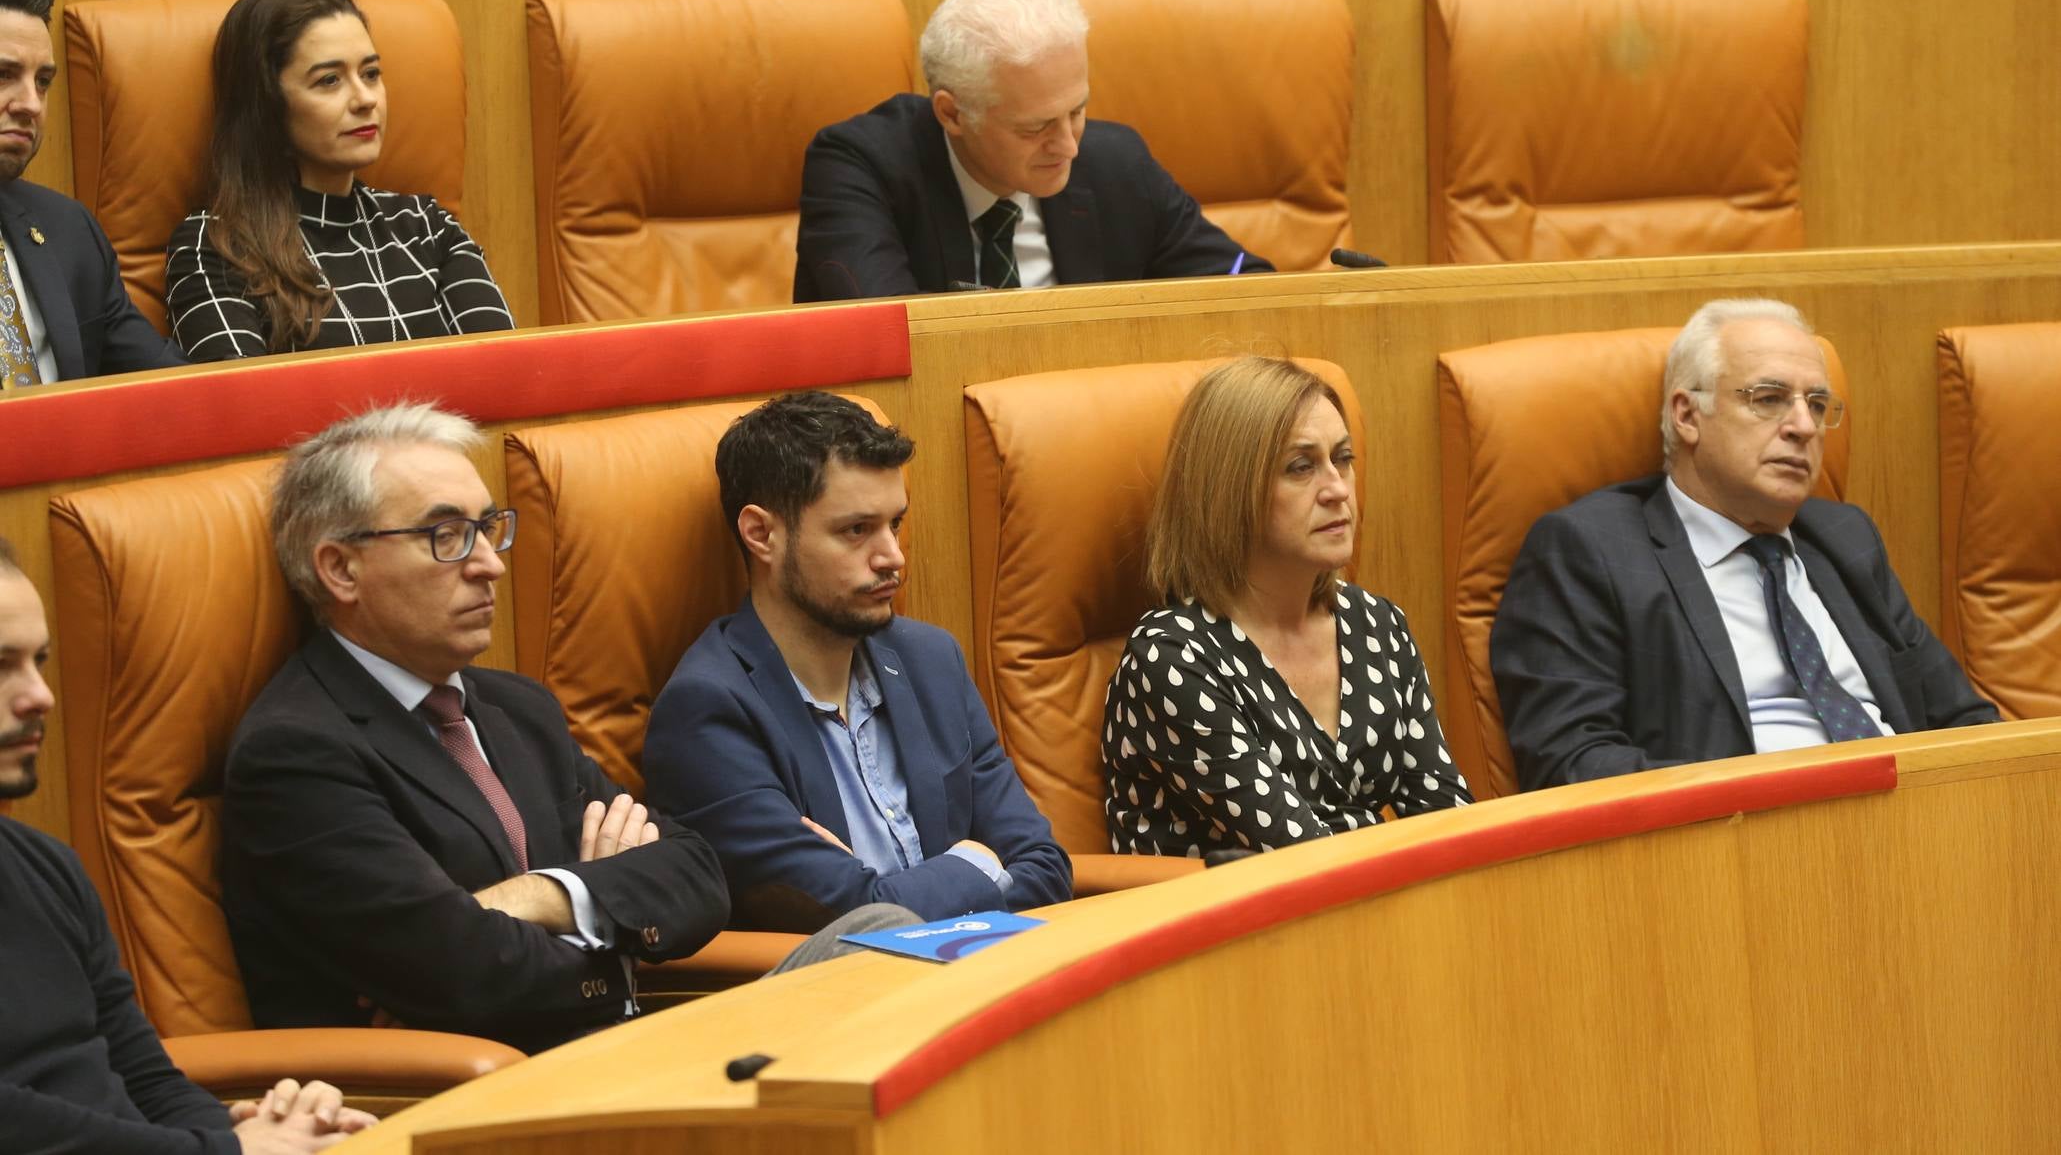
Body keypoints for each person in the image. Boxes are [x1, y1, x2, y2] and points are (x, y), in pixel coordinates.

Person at [219, 403, 735, 1055]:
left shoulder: (520, 709)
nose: (489, 563)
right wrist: (613, 924)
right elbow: (463, 971)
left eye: (488, 528)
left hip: (610, 1057)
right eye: (447, 536)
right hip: (454, 1104)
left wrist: (540, 896)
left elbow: (697, 875)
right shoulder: (296, 754)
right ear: (340, 569)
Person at [1491, 298, 1999, 791]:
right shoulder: (1592, 551)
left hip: (1911, 829)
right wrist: (1764, 798)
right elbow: (1572, 762)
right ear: (1688, 415)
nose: (1803, 426)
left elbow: (1964, 722)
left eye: (1817, 405)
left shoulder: (1846, 539)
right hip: (1735, 848)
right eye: (1769, 399)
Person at [0, 536, 376, 1153]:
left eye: (38, 661)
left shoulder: (46, 867)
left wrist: (263, 1132)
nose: (39, 694)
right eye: (1, 665)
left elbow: (145, 1079)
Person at [645, 391, 1071, 931]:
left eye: (894, 523)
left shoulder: (930, 661)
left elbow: (1046, 867)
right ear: (762, 535)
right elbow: (855, 917)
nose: (892, 555)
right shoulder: (707, 712)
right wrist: (979, 863)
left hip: (989, 982)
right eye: (856, 530)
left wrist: (898, 895)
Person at [1105, 357, 1471, 857]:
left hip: (1365, 909)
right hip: (1232, 924)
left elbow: (1449, 819)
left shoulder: (1377, 624)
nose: (1338, 489)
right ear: (1230, 491)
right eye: (1301, 467)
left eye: (1343, 459)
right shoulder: (1171, 658)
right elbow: (1299, 853)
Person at [794, 0, 1265, 301]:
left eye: (1077, 111)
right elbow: (881, 337)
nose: (1069, 146)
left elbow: (1251, 289)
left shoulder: (1116, 164)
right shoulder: (860, 166)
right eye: (1035, 127)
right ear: (952, 114)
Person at [165, 0, 512, 361]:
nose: (365, 99)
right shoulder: (214, 246)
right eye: (329, 80)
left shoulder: (426, 227)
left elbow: (504, 375)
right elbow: (246, 412)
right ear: (268, 105)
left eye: (371, 74)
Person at [0, 0, 184, 386]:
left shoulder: (67, 229)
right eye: (3, 75)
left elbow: (168, 387)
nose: (31, 103)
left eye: (43, 81)